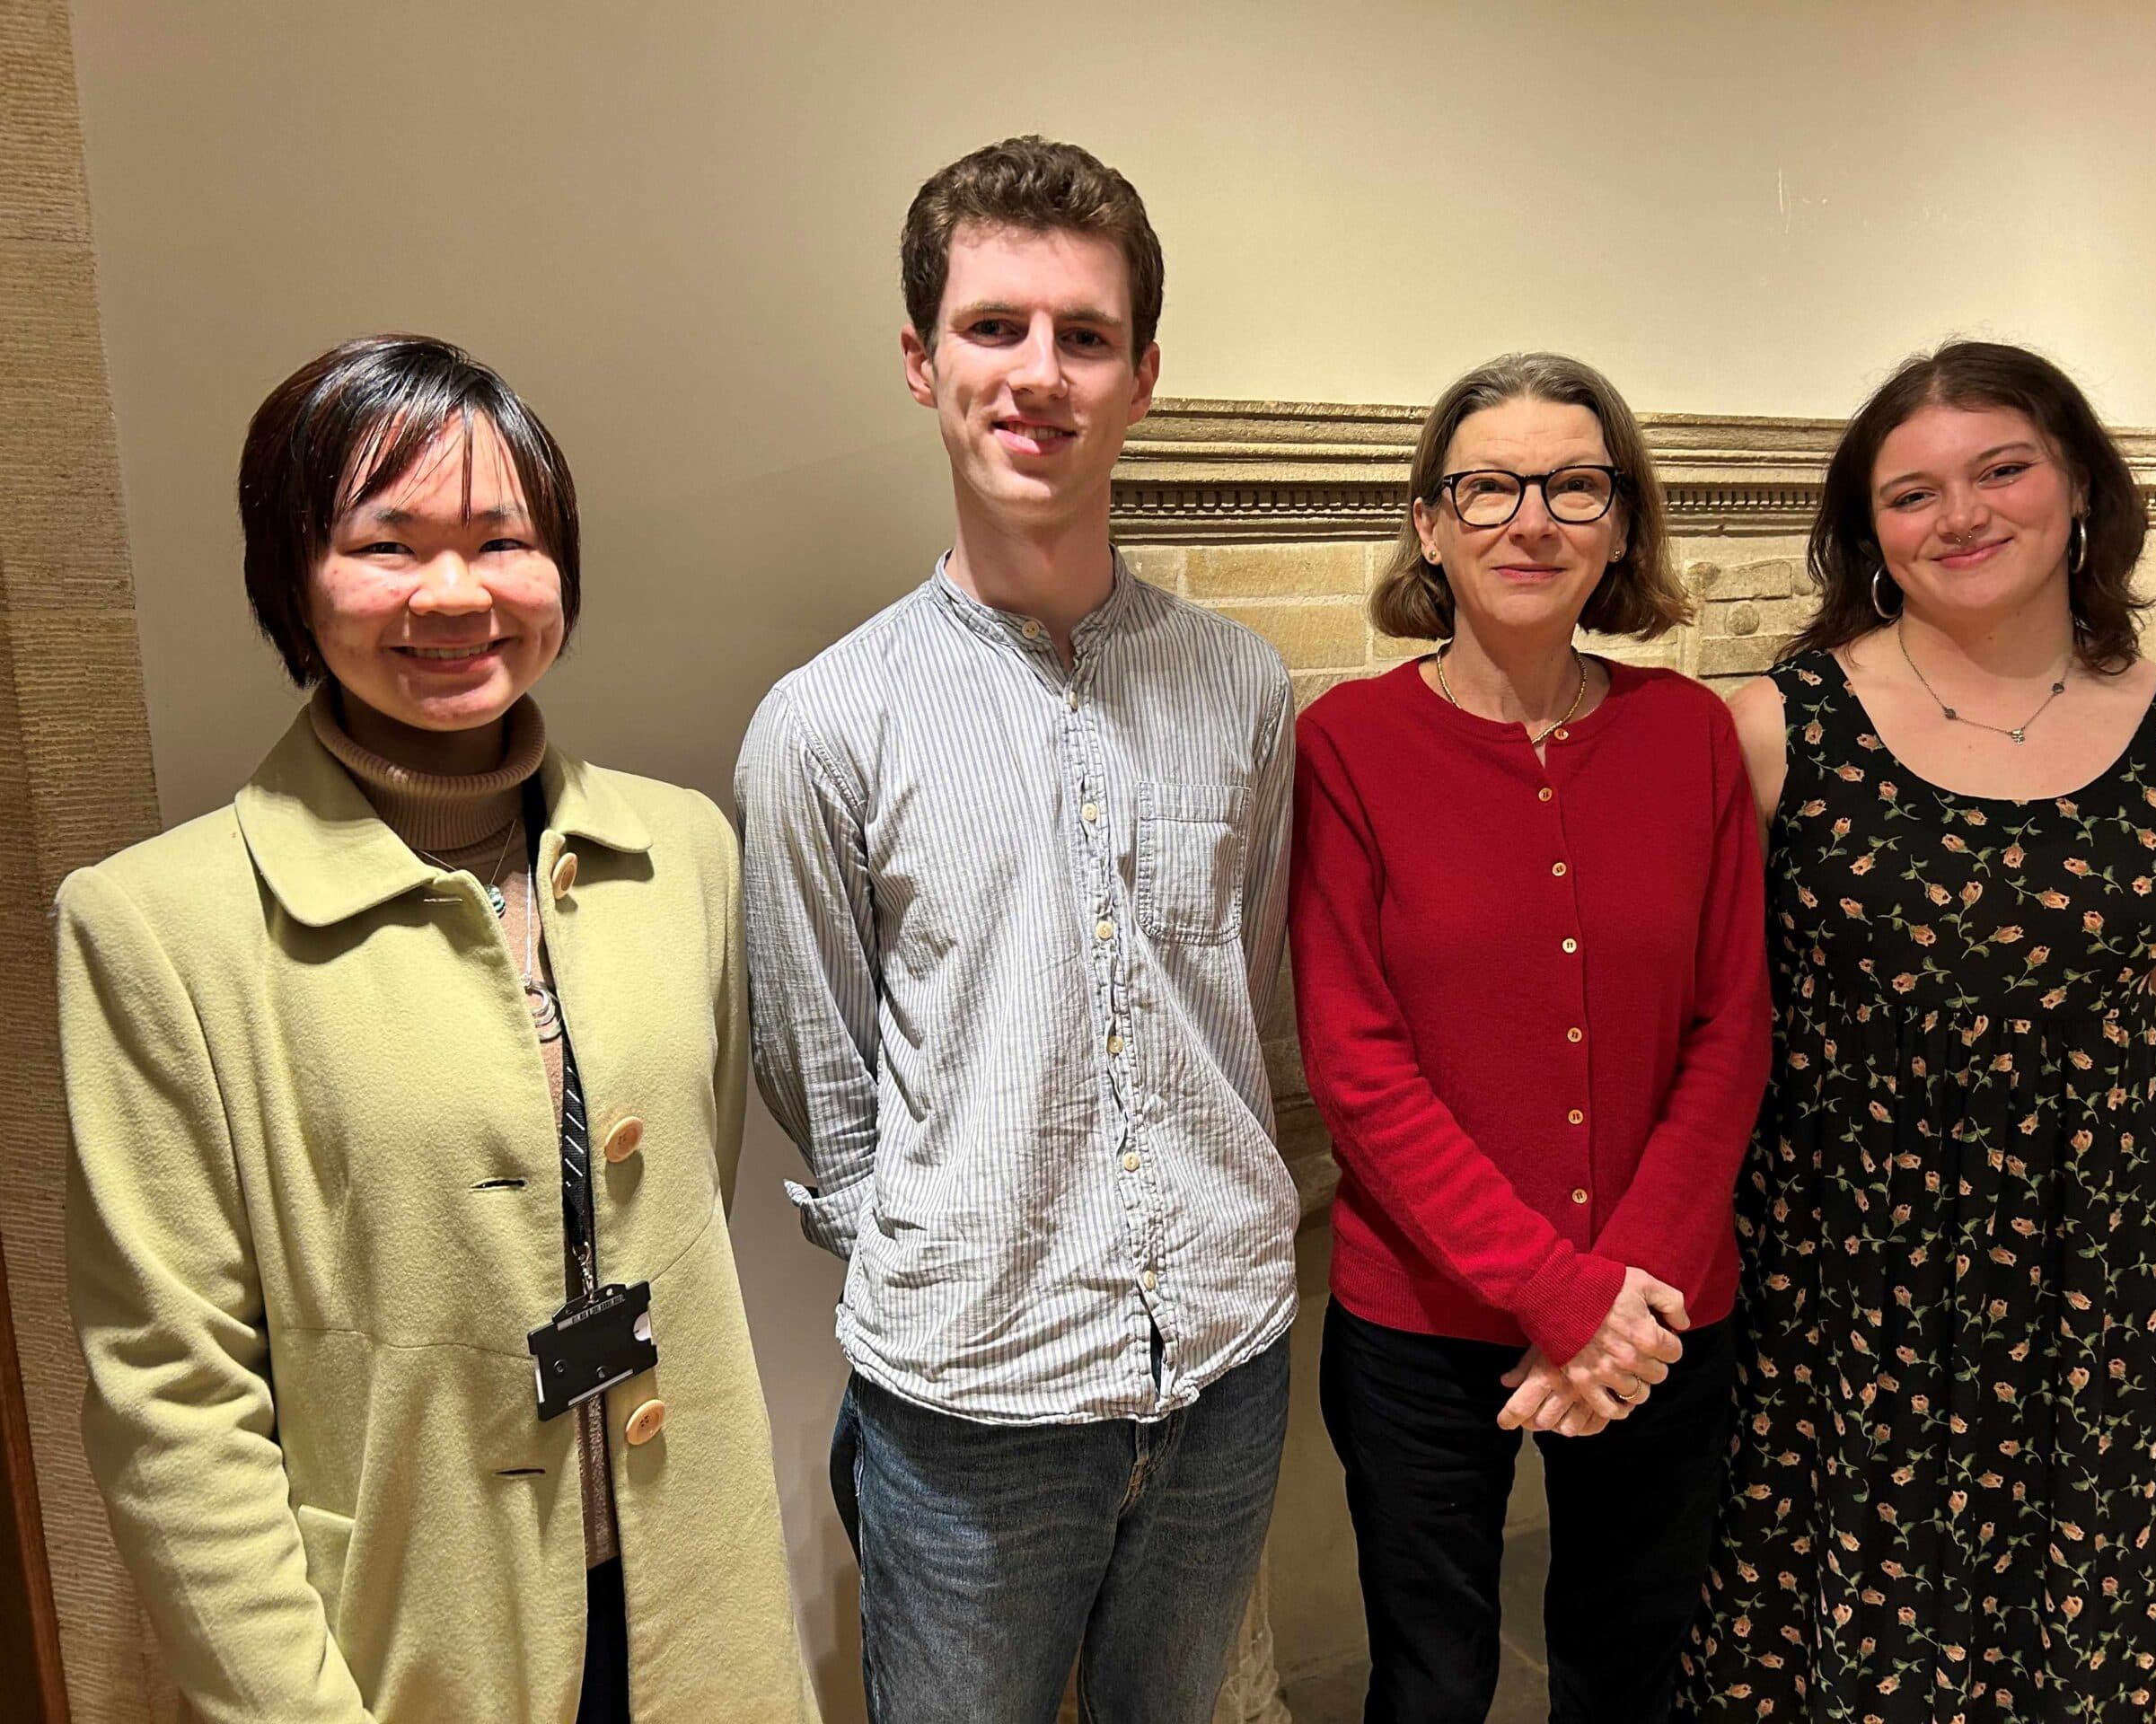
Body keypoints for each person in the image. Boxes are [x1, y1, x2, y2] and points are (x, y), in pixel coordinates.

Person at [58, 336, 818, 1724]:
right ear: (293, 575)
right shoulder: (154, 929)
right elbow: (172, 1398)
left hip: (686, 1603)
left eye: (502, 540)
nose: (456, 594)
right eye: (388, 544)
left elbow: (675, 1205)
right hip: (397, 1634)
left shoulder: (684, 851)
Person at [735, 136, 1297, 1724]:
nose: (1038, 375)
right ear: (922, 363)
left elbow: (1240, 999)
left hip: (1224, 1366)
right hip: (970, 1410)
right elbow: (823, 1080)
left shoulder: (1243, 690)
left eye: (1085, 335)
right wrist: (960, 1255)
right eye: (993, 328)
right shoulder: (825, 724)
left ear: (1142, 376)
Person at [1678, 339, 2156, 1720]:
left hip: (2073, 1274)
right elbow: (1714, 1014)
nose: (1962, 514)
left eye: (2001, 468)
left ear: (2078, 486)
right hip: (1831, 1270)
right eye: (1911, 492)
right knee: (1803, 1607)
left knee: (2039, 1624)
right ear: (1869, 532)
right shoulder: (1774, 728)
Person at [1289, 351, 1773, 1724]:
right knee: (1431, 1680)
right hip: (1424, 1323)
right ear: (1431, 525)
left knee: (1630, 1669)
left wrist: (1624, 1295)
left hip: (1661, 1308)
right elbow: (1357, 1067)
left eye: (1573, 484)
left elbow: (1732, 1028)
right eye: (1489, 485)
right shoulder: (1347, 745)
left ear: (1621, 522)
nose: (1531, 519)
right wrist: (1560, 1299)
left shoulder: (1688, 735)